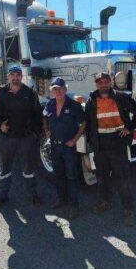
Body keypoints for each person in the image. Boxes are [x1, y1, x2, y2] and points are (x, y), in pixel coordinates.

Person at [85, 72, 136, 226]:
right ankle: (104, 202)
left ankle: (128, 209)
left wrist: (129, 128)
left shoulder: (120, 97)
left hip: (117, 142)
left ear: (110, 82)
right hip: (100, 145)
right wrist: (92, 143)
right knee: (102, 177)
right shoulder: (91, 101)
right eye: (99, 82)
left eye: (105, 81)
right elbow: (88, 123)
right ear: (96, 84)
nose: (103, 84)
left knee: (122, 178)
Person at [0, 65, 42, 210]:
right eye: (13, 74)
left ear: (21, 77)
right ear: (8, 77)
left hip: (25, 138)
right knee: (4, 168)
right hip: (6, 138)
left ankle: (32, 195)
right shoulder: (1, 93)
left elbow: (37, 114)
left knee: (28, 168)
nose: (15, 77)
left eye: (18, 75)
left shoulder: (29, 93)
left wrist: (35, 133)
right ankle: (1, 197)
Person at [43, 77, 86, 219]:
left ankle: (74, 206)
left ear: (65, 89)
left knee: (71, 176)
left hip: (68, 147)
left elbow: (83, 123)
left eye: (61, 88)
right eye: (55, 89)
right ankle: (62, 200)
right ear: (52, 91)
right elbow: (44, 117)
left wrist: (74, 140)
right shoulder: (49, 104)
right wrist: (46, 131)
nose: (59, 91)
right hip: (54, 146)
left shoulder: (74, 105)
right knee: (58, 175)